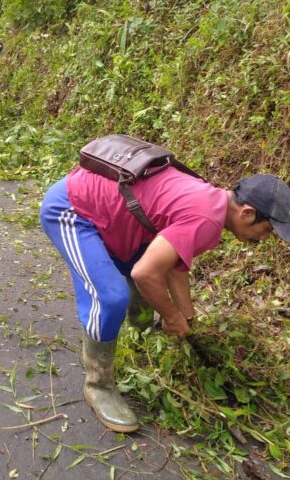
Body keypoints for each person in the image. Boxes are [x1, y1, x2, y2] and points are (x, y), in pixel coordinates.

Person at [40, 162, 290, 433]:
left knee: (150, 279)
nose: (264, 238)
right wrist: (172, 316)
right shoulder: (206, 219)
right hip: (72, 210)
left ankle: (142, 332)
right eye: (266, 230)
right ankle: (98, 385)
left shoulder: (212, 201)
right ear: (248, 212)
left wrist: (188, 320)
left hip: (113, 216)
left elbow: (173, 264)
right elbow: (145, 273)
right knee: (112, 298)